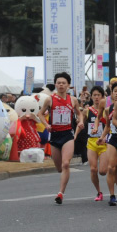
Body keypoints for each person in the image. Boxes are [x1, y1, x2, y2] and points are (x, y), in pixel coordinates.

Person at [38, 72, 85, 204]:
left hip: (67, 135)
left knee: (66, 164)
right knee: (59, 168)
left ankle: (61, 193)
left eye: (63, 83)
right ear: (55, 84)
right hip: (55, 135)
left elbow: (79, 114)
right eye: (58, 83)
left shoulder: (73, 100)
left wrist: (80, 122)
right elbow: (40, 114)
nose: (61, 85)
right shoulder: (50, 99)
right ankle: (62, 186)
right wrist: (46, 125)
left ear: (68, 85)